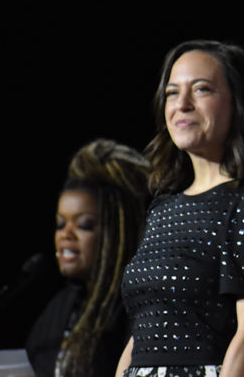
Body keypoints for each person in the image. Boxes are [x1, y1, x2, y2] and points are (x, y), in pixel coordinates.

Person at [116, 40, 244, 377]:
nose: (182, 105)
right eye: (172, 93)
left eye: (201, 89)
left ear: (238, 104)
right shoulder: (162, 209)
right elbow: (142, 334)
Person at [26, 139, 151, 377]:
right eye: (60, 224)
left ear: (115, 233)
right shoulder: (60, 308)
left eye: (84, 225)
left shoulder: (134, 310)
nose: (66, 235)